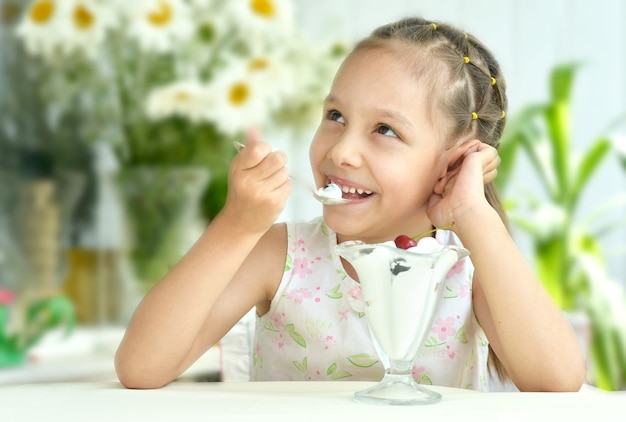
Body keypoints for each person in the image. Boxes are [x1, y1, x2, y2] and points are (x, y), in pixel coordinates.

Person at [114, 17, 585, 392]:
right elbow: (141, 367)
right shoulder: (280, 255)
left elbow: (556, 381)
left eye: (385, 130)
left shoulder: (467, 266)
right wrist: (236, 226)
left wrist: (474, 216)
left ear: (453, 162)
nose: (340, 151)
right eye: (335, 116)